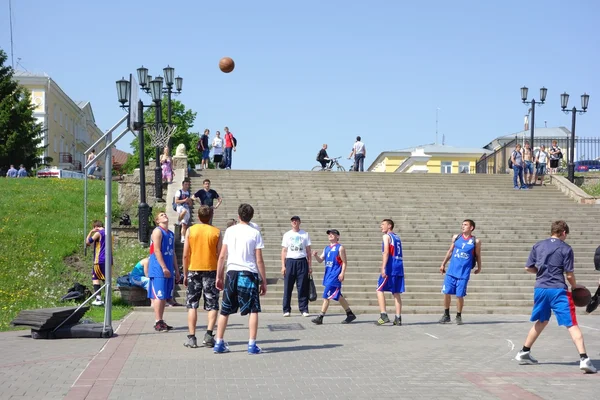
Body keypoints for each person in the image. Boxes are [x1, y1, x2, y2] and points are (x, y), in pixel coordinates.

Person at [514, 220, 596, 373]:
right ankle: (584, 359)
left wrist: (540, 272)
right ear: (564, 232)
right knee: (571, 323)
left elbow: (528, 267)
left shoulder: (538, 245)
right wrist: (575, 286)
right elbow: (569, 275)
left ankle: (524, 352)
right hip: (557, 290)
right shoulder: (566, 248)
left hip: (540, 288)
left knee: (542, 320)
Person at [214, 203, 267, 354]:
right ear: (251, 216)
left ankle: (219, 342)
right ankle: (251, 344)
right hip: (249, 272)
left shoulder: (230, 231)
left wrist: (219, 275)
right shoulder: (255, 233)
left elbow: (222, 255)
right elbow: (259, 259)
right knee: (253, 309)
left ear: (238, 216)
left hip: (232, 272)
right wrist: (263, 280)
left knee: (225, 310)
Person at [182, 206, 222, 348]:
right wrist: (220, 274)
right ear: (210, 216)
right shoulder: (216, 232)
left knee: (192, 304)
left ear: (198, 217)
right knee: (212, 304)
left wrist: (185, 273)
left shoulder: (191, 230)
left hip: (194, 269)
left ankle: (192, 337)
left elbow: (186, 254)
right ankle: (209, 335)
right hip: (211, 270)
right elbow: (219, 255)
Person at [439, 219, 482, 325]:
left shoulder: (475, 241)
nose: (463, 226)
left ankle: (458, 315)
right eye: (462, 225)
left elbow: (478, 255)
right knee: (446, 292)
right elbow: (450, 251)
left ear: (471, 228)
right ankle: (446, 314)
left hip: (463, 273)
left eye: (465, 225)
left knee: (459, 295)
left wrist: (479, 267)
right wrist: (443, 264)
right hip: (451, 271)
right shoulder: (456, 237)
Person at [311, 229, 356, 325]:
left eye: (333, 234)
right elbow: (320, 260)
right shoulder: (326, 248)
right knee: (338, 296)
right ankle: (350, 314)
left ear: (338, 236)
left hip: (335, 276)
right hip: (328, 275)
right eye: (329, 234)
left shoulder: (340, 248)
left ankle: (320, 317)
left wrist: (342, 273)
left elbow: (344, 262)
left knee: (326, 296)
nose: (330, 235)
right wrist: (315, 256)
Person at [147, 212, 179, 332]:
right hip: (158, 269)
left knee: (164, 296)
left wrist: (176, 269)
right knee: (159, 295)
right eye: (161, 215)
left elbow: (173, 252)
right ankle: (157, 321)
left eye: (165, 214)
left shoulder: (170, 233)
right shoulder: (157, 231)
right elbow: (156, 250)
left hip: (169, 268)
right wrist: (164, 267)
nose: (165, 215)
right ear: (157, 220)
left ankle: (161, 320)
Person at [375, 219, 405, 326]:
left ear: (389, 226)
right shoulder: (397, 237)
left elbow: (386, 252)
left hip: (390, 267)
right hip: (399, 266)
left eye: (383, 224)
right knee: (396, 292)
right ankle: (398, 318)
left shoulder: (386, 236)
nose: (381, 226)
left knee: (379, 289)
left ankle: (383, 315)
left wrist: (383, 267)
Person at [281, 215, 312, 317]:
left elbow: (308, 251)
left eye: (296, 221)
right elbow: (284, 251)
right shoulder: (287, 235)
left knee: (302, 286)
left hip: (302, 261)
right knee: (288, 287)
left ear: (299, 222)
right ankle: (286, 309)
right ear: (291, 223)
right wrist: (283, 266)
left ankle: (304, 309)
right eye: (293, 221)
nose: (294, 222)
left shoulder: (305, 234)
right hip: (290, 261)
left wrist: (309, 265)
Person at [85, 220, 112, 306]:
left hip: (99, 259)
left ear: (96, 227)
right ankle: (108, 299)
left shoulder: (99, 233)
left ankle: (98, 299)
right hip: (109, 259)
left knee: (95, 278)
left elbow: (88, 242)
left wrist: (90, 232)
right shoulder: (109, 233)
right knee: (106, 279)